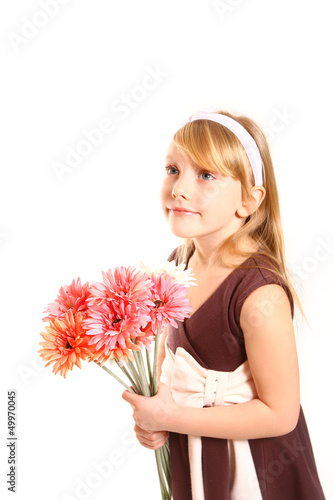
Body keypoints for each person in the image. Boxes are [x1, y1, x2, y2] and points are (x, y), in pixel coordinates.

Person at [122, 110, 326, 499]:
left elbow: (280, 413)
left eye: (206, 175)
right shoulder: (177, 265)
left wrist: (171, 416)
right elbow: (170, 362)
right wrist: (156, 418)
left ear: (249, 200)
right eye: (172, 169)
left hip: (257, 470)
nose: (179, 189)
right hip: (195, 453)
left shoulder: (259, 294)